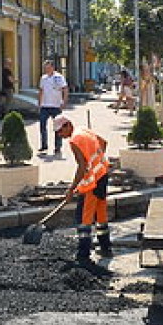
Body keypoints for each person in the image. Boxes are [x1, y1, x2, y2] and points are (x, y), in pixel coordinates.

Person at [53, 114, 112, 275]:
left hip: (92, 183)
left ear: (67, 125)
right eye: (57, 133)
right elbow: (104, 143)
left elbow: (81, 166)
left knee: (84, 218)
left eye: (60, 131)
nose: (60, 135)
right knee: (101, 213)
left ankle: (83, 254)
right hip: (103, 175)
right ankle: (106, 247)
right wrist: (96, 165)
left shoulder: (75, 141)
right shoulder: (84, 130)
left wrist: (71, 189)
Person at [36, 59, 69, 157]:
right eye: (45, 68)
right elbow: (41, 91)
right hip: (45, 106)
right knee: (42, 125)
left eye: (48, 67)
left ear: (52, 68)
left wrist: (64, 101)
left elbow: (65, 89)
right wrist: (39, 103)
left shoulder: (59, 77)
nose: (46, 69)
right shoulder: (43, 78)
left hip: (56, 106)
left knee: (58, 127)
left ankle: (57, 147)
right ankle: (44, 145)